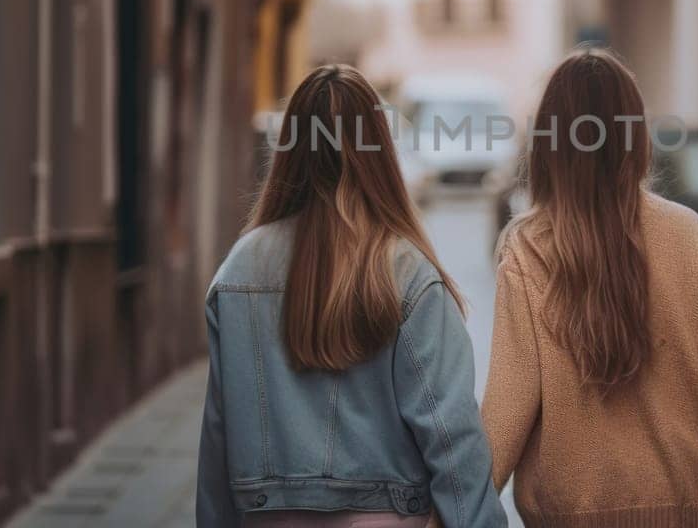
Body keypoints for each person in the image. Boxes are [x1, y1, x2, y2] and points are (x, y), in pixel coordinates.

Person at [197, 64, 506, 528]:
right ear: (378, 151)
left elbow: (218, 439)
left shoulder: (240, 269)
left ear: (291, 149)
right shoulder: (408, 272)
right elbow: (451, 436)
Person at [481, 48, 698, 527]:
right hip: (687, 510)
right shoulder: (688, 235)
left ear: (548, 143)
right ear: (635, 136)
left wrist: (452, 511)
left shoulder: (527, 250)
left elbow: (507, 410)